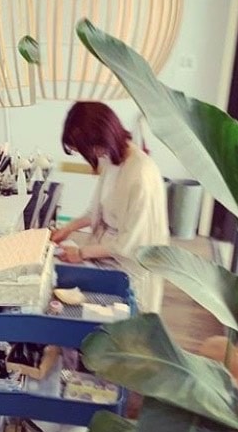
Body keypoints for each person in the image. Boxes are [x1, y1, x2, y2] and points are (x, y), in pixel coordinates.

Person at [50, 101, 169, 312]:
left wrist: (81, 253)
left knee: (119, 318)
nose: (91, 157)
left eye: (86, 150)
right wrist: (68, 228)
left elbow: (131, 244)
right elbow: (98, 210)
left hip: (129, 268)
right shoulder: (112, 160)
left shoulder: (141, 175)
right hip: (108, 253)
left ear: (101, 139)